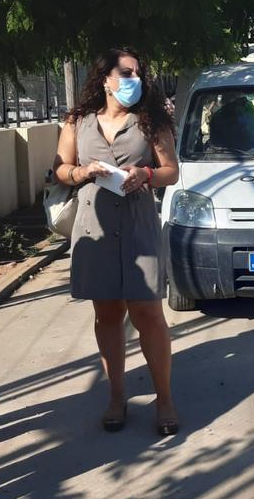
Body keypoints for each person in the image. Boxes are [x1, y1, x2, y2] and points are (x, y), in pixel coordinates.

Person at [53, 48, 181, 435]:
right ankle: (116, 397)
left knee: (148, 315)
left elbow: (171, 171)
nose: (133, 80)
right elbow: (59, 168)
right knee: (107, 315)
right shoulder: (78, 121)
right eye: (126, 73)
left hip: (139, 224)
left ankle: (165, 399)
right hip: (95, 228)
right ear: (105, 78)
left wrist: (145, 174)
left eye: (138, 73)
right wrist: (81, 171)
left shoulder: (150, 121)